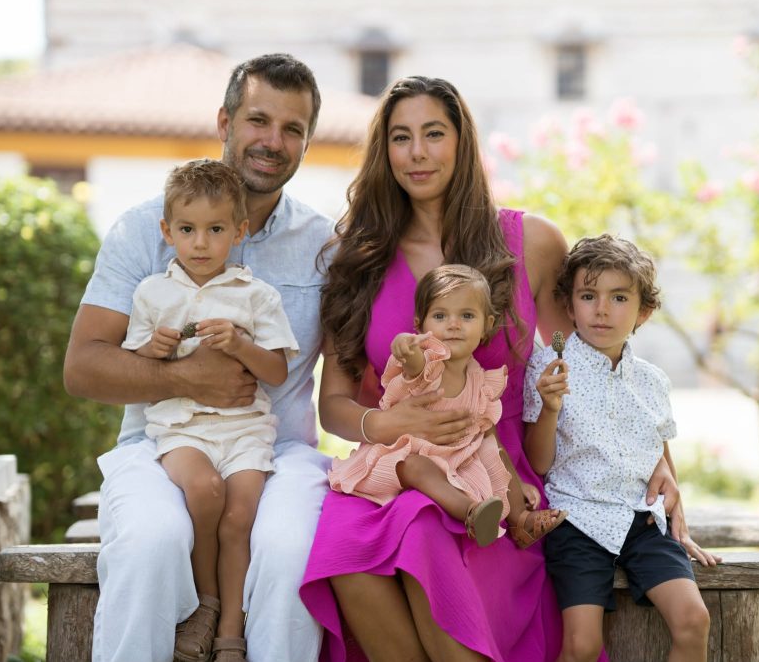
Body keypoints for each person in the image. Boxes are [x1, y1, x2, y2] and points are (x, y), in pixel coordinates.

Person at [300, 75, 684, 662]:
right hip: (396, 465)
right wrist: (387, 423)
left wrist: (657, 457)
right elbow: (335, 405)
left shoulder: (528, 241)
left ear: (462, 142)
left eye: (434, 133)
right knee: (342, 545)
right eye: (401, 137)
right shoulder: (358, 259)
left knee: (424, 528)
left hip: (497, 475)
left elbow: (587, 360)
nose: (419, 152)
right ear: (385, 152)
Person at [63, 54, 333, 662]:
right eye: (259, 120)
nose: (273, 141)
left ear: (307, 142)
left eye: (293, 129)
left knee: (291, 548)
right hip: (161, 445)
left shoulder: (324, 246)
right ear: (225, 121)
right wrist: (183, 377)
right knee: (152, 542)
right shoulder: (145, 230)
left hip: (274, 450)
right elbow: (82, 367)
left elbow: (345, 380)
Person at [121, 159, 300, 661]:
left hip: (246, 431)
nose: (201, 243)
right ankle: (206, 601)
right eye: (187, 229)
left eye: (215, 229)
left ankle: (229, 629)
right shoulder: (152, 293)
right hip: (182, 427)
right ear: (167, 231)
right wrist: (155, 349)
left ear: (239, 232)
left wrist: (242, 345)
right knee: (204, 490)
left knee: (240, 515)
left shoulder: (255, 295)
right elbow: (135, 362)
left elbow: (276, 372)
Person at [524, 234, 720, 662]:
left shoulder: (651, 381)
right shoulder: (548, 368)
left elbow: (660, 458)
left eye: (618, 298)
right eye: (588, 295)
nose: (601, 309)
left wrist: (678, 527)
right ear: (570, 305)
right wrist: (551, 407)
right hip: (577, 521)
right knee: (581, 646)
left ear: (642, 312)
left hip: (642, 523)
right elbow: (538, 462)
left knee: (694, 621)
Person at [328, 264, 567, 549]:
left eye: (466, 316)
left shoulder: (480, 378)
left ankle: (520, 519)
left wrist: (512, 483)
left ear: (487, 324)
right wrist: (405, 346)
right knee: (417, 466)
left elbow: (488, 433)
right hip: (408, 454)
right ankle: (470, 513)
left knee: (494, 448)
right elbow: (412, 366)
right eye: (440, 316)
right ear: (421, 325)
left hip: (457, 458)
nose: (453, 325)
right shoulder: (428, 362)